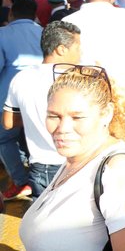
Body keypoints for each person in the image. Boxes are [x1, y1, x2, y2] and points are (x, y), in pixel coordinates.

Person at [20, 65, 125, 250]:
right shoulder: (76, 159)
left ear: (106, 114)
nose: (62, 128)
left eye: (77, 117)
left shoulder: (122, 174)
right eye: (53, 116)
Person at [3, 21, 80, 198]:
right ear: (61, 49)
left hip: (42, 167)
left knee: (47, 222)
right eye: (78, 47)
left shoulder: (21, 78)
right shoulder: (78, 78)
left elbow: (8, 123)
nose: (80, 52)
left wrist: (33, 118)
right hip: (79, 161)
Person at [0, 0, 43, 200]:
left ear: (11, 14)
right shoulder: (44, 32)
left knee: (5, 139)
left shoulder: (2, 34)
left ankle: (21, 182)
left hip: (10, 101)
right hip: (44, 97)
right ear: (34, 14)